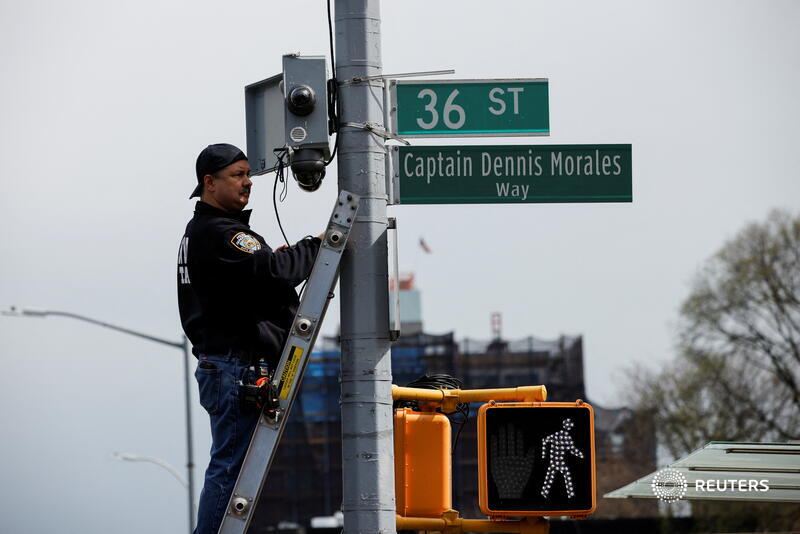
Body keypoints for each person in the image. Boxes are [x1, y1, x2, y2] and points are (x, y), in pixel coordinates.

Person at [177, 143, 322, 534]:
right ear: (209, 183)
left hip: (227, 366)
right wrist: (317, 245)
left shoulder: (205, 231)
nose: (247, 183)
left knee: (232, 469)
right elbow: (276, 272)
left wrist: (275, 262)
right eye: (237, 176)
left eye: (247, 175)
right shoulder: (221, 232)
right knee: (229, 470)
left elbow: (253, 279)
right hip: (235, 367)